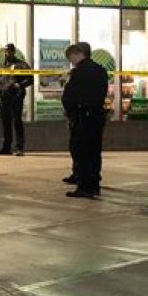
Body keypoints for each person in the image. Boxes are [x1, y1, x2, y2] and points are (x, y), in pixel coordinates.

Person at [61, 43, 109, 198]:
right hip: (97, 114)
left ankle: (84, 186)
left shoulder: (78, 72)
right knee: (94, 151)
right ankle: (94, 184)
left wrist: (70, 112)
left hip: (82, 116)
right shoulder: (101, 70)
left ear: (76, 55)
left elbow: (69, 96)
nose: (71, 62)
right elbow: (103, 92)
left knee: (81, 151)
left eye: (70, 59)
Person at [0, 43, 33, 156]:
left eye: (10, 51)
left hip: (16, 97)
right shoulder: (1, 66)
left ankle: (19, 147)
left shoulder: (21, 65)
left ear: (14, 52)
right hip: (4, 98)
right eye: (6, 51)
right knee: (5, 123)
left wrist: (19, 85)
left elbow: (30, 79)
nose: (8, 53)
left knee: (17, 122)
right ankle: (6, 147)